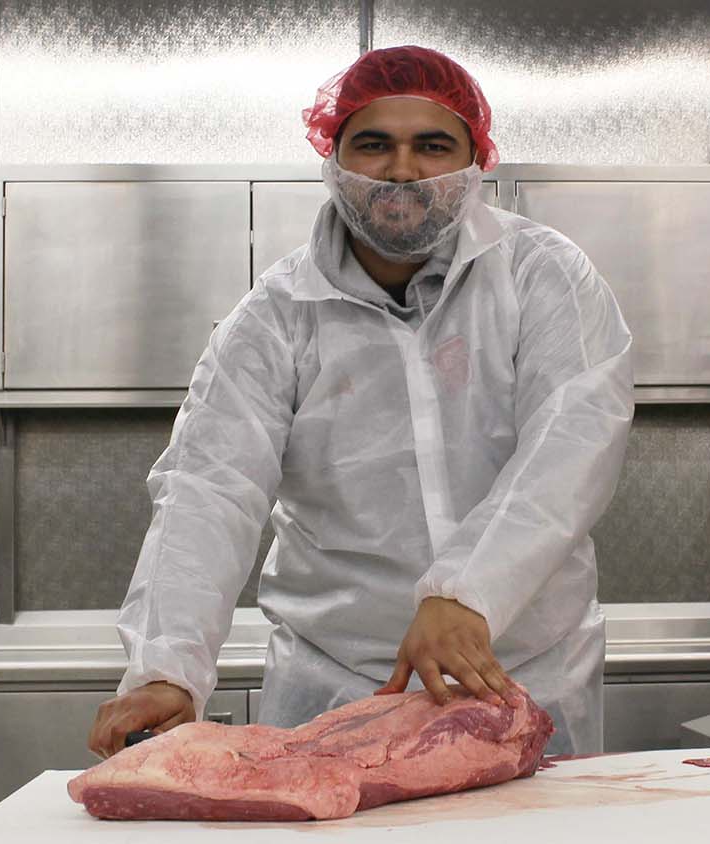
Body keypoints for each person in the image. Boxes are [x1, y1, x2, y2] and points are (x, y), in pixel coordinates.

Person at [87, 45, 633, 759]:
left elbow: (571, 446)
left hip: (523, 677)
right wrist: (166, 669)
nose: (402, 169)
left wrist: (466, 595)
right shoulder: (275, 317)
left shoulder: (543, 277)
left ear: (476, 160)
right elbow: (209, 490)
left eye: (432, 146)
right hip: (340, 689)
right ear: (333, 158)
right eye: (373, 145)